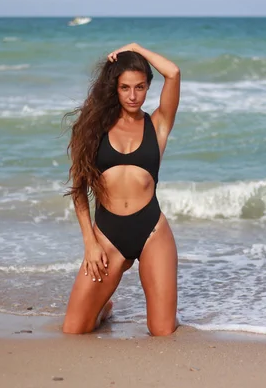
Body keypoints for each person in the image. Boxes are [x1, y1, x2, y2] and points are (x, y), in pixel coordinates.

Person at [62, 43, 181, 336]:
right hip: (107, 236)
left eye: (140, 87)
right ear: (114, 87)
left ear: (147, 87)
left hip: (152, 230)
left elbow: (174, 73)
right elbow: (79, 190)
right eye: (125, 87)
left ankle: (163, 312)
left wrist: (135, 47)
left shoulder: (159, 124)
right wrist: (90, 243)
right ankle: (104, 309)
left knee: (162, 331)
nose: (132, 95)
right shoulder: (93, 129)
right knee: (75, 330)